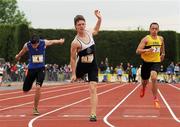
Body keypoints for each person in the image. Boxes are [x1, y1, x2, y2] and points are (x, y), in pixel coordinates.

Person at [15, 35, 65, 115]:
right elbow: (22, 51)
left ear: (38, 42)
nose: (34, 46)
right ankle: (28, 85)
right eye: (33, 44)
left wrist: (60, 41)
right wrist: (18, 56)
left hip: (40, 69)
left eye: (35, 44)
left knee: (38, 87)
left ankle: (35, 108)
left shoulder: (43, 43)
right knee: (25, 90)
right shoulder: (27, 45)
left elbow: (52, 41)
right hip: (31, 69)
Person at [70, 10, 102, 121]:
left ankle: (93, 114)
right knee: (76, 78)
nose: (81, 26)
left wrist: (99, 19)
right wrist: (73, 73)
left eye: (83, 24)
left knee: (93, 87)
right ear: (75, 27)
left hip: (92, 64)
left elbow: (96, 30)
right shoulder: (75, 42)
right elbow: (73, 58)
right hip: (81, 66)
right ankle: (78, 76)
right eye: (79, 25)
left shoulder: (89, 32)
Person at [136, 22, 165, 109]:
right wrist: (147, 50)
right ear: (149, 29)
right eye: (152, 28)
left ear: (158, 30)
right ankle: (143, 87)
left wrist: (163, 53)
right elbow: (137, 51)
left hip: (156, 62)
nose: (154, 30)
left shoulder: (161, 38)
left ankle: (155, 99)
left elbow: (162, 46)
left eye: (156, 29)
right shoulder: (146, 39)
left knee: (154, 77)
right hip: (146, 63)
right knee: (144, 81)